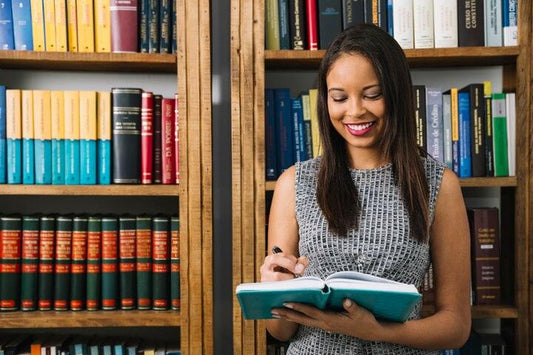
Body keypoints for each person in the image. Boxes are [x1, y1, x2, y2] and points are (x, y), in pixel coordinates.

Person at [260, 23, 471, 354]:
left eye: (372, 94)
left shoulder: (438, 185)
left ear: (397, 93)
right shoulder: (294, 183)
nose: (355, 111)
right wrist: (275, 287)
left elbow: (456, 326)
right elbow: (281, 331)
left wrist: (376, 331)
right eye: (339, 98)